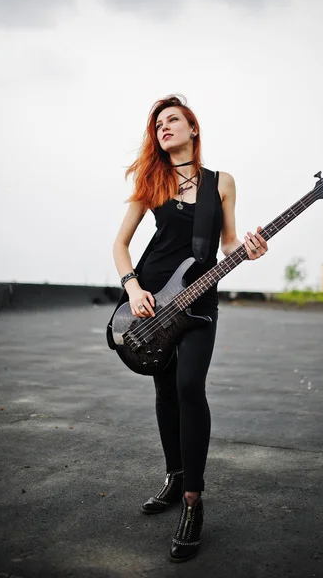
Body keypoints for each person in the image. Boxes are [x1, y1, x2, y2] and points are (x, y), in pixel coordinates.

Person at [112, 94, 268, 562]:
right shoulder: (151, 180)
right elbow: (120, 244)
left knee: (188, 385)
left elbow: (226, 246)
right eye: (157, 123)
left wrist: (250, 249)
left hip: (198, 302)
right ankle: (174, 477)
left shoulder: (221, 183)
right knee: (163, 392)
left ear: (192, 129)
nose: (164, 127)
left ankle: (193, 502)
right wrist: (133, 287)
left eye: (173, 119)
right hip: (151, 301)